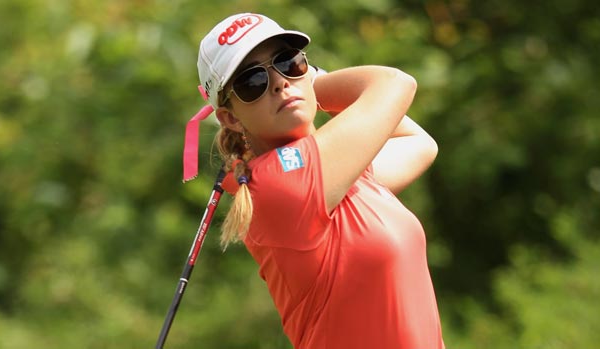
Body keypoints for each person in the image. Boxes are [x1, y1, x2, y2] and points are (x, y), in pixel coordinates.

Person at [186, 12, 444, 349]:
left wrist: (301, 85)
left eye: (288, 61)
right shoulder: (279, 184)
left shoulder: (333, 172)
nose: (279, 82)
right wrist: (309, 84)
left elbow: (419, 143)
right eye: (253, 82)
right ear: (231, 117)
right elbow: (396, 84)